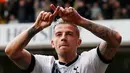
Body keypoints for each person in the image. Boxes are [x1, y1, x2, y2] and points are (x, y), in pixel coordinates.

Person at [5, 4, 122, 73]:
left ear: (79, 42)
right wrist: (36, 27)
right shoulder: (44, 65)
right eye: (58, 34)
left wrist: (80, 21)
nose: (63, 38)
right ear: (52, 43)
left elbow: (115, 39)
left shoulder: (90, 62)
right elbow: (11, 52)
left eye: (69, 34)